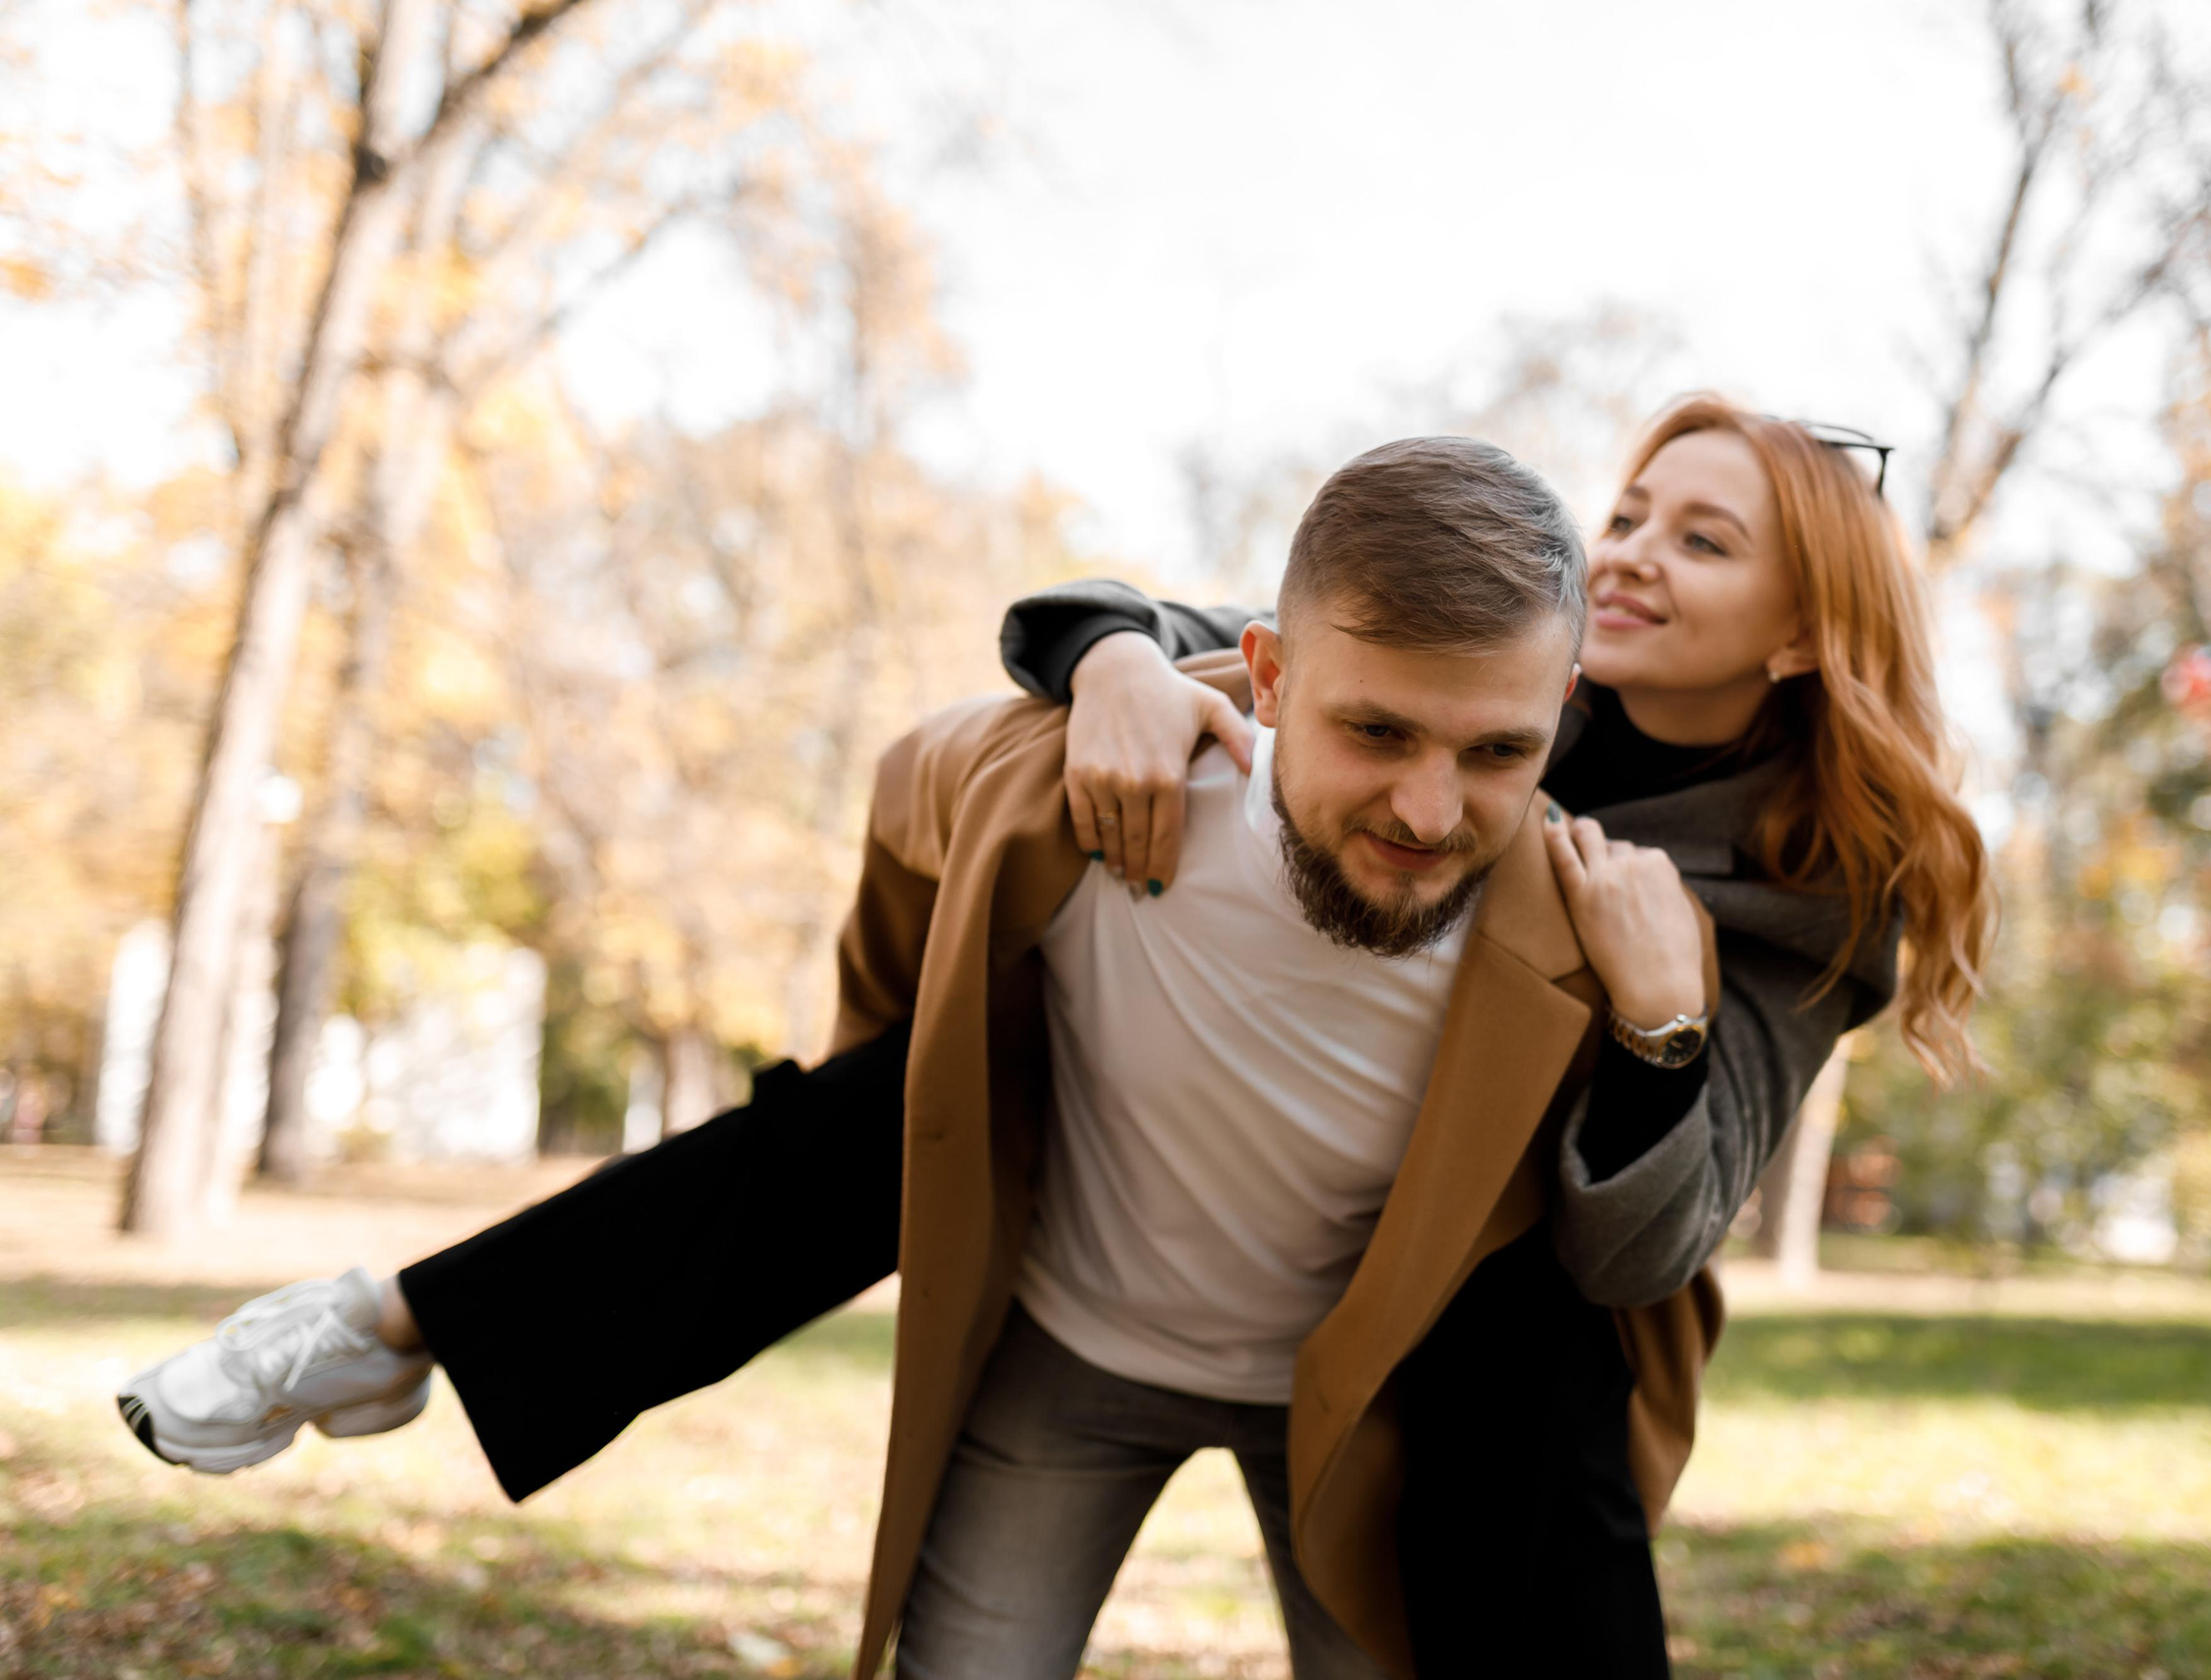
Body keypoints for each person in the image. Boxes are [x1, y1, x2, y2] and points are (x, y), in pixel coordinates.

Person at [118, 397, 1993, 1673]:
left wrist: (1660, 1025)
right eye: (1630, 518)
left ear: (1809, 632)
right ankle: (401, 1323)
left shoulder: (1797, 903)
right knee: (871, 1132)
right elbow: (1243, 640)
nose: (1638, 556)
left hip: (1433, 1358)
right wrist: (1108, 664)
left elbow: (1644, 1246)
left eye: (1704, 539)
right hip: (1087, 1311)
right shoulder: (1471, 697)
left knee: (1526, 1441)